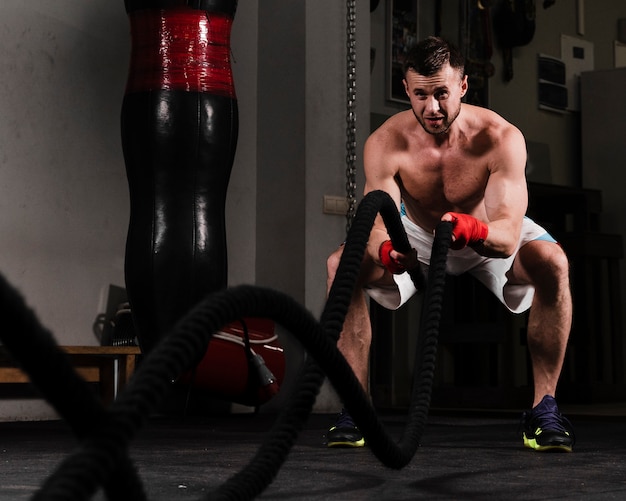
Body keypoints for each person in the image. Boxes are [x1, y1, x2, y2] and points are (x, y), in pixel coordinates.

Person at [325, 36, 575, 452]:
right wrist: (387, 250)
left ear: (462, 86)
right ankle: (357, 408)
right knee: (340, 266)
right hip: (419, 235)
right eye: (420, 95)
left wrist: (471, 229)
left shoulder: (499, 138)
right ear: (406, 90)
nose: (432, 108)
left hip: (484, 226)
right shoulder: (386, 143)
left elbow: (509, 233)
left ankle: (543, 409)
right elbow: (374, 225)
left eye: (441, 93)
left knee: (552, 262)